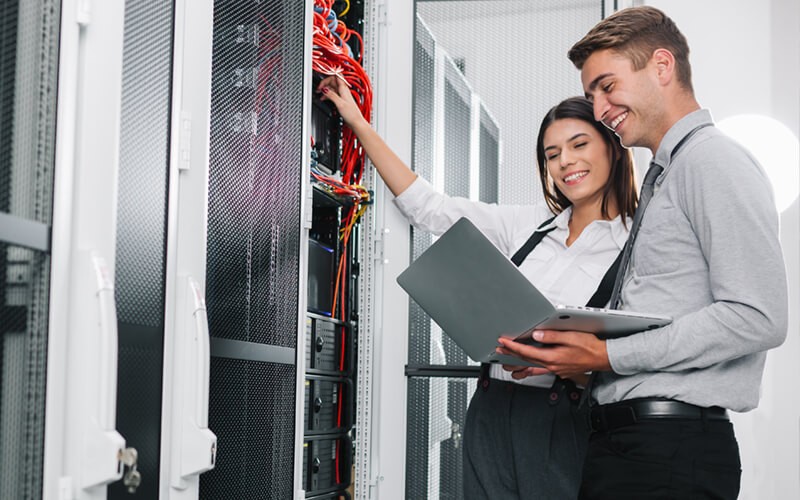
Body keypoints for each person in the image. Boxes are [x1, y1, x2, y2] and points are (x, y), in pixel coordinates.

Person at [495, 6, 789, 499]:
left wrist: (608, 354)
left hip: (668, 450)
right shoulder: (666, 174)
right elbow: (666, 306)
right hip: (630, 444)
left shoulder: (712, 161)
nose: (600, 107)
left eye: (607, 86)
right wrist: (571, 355)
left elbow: (758, 316)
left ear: (661, 66)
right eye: (591, 94)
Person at [319, 73, 638, 499]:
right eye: (552, 154)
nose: (565, 162)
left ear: (612, 149)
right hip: (489, 409)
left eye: (579, 145)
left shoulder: (637, 243)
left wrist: (571, 365)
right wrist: (357, 122)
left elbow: (636, 354)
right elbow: (429, 207)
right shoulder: (529, 227)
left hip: (564, 423)